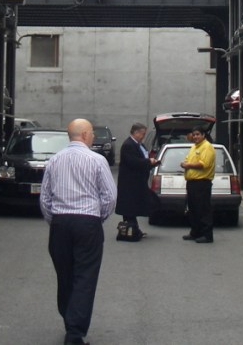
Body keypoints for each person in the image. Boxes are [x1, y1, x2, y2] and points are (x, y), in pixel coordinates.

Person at [40, 118, 117, 345]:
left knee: (65, 275)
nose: (93, 136)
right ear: (84, 135)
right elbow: (110, 197)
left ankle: (69, 319)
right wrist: (98, 217)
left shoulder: (54, 160)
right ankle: (74, 333)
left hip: (60, 223)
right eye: (91, 133)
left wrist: (54, 220)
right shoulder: (97, 160)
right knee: (85, 276)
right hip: (88, 222)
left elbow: (45, 198)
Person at [114, 122, 159, 240]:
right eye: (142, 134)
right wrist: (149, 162)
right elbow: (133, 162)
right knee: (129, 207)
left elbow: (143, 159)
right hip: (129, 183)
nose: (143, 136)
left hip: (138, 182)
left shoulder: (140, 145)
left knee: (134, 206)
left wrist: (151, 163)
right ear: (135, 132)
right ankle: (130, 230)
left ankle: (135, 229)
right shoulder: (128, 145)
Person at [180, 126, 216, 243]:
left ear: (203, 135)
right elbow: (188, 160)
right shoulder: (194, 147)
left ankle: (207, 235)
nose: (195, 137)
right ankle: (195, 232)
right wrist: (184, 163)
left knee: (203, 210)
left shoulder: (207, 147)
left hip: (202, 183)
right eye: (194, 134)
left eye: (198, 134)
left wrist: (188, 165)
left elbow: (203, 164)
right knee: (193, 209)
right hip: (192, 183)